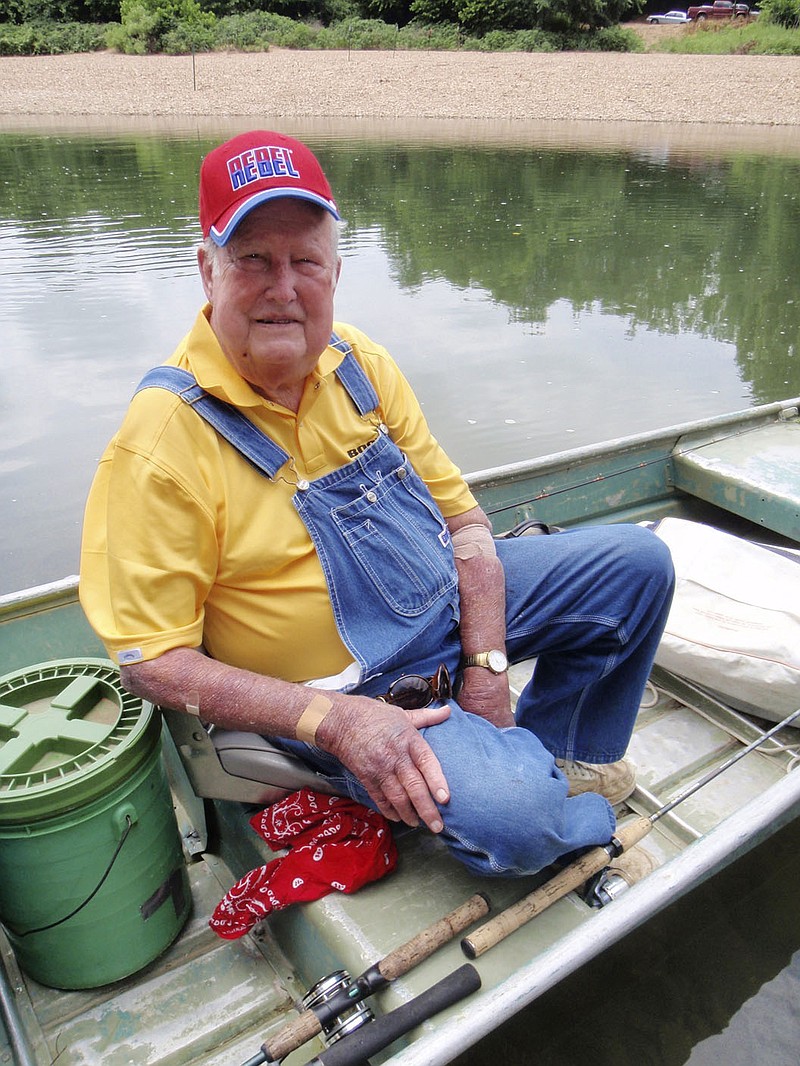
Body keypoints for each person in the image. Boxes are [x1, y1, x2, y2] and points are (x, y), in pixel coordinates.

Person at [79, 130, 674, 879]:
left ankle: (563, 754)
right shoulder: (160, 444)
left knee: (639, 567)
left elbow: (463, 522)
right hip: (338, 696)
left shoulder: (361, 364)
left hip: (442, 616)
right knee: (517, 820)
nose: (283, 288)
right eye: (254, 259)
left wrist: (487, 665)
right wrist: (337, 723)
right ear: (207, 271)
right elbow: (153, 663)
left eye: (305, 262)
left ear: (335, 270)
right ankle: (559, 809)